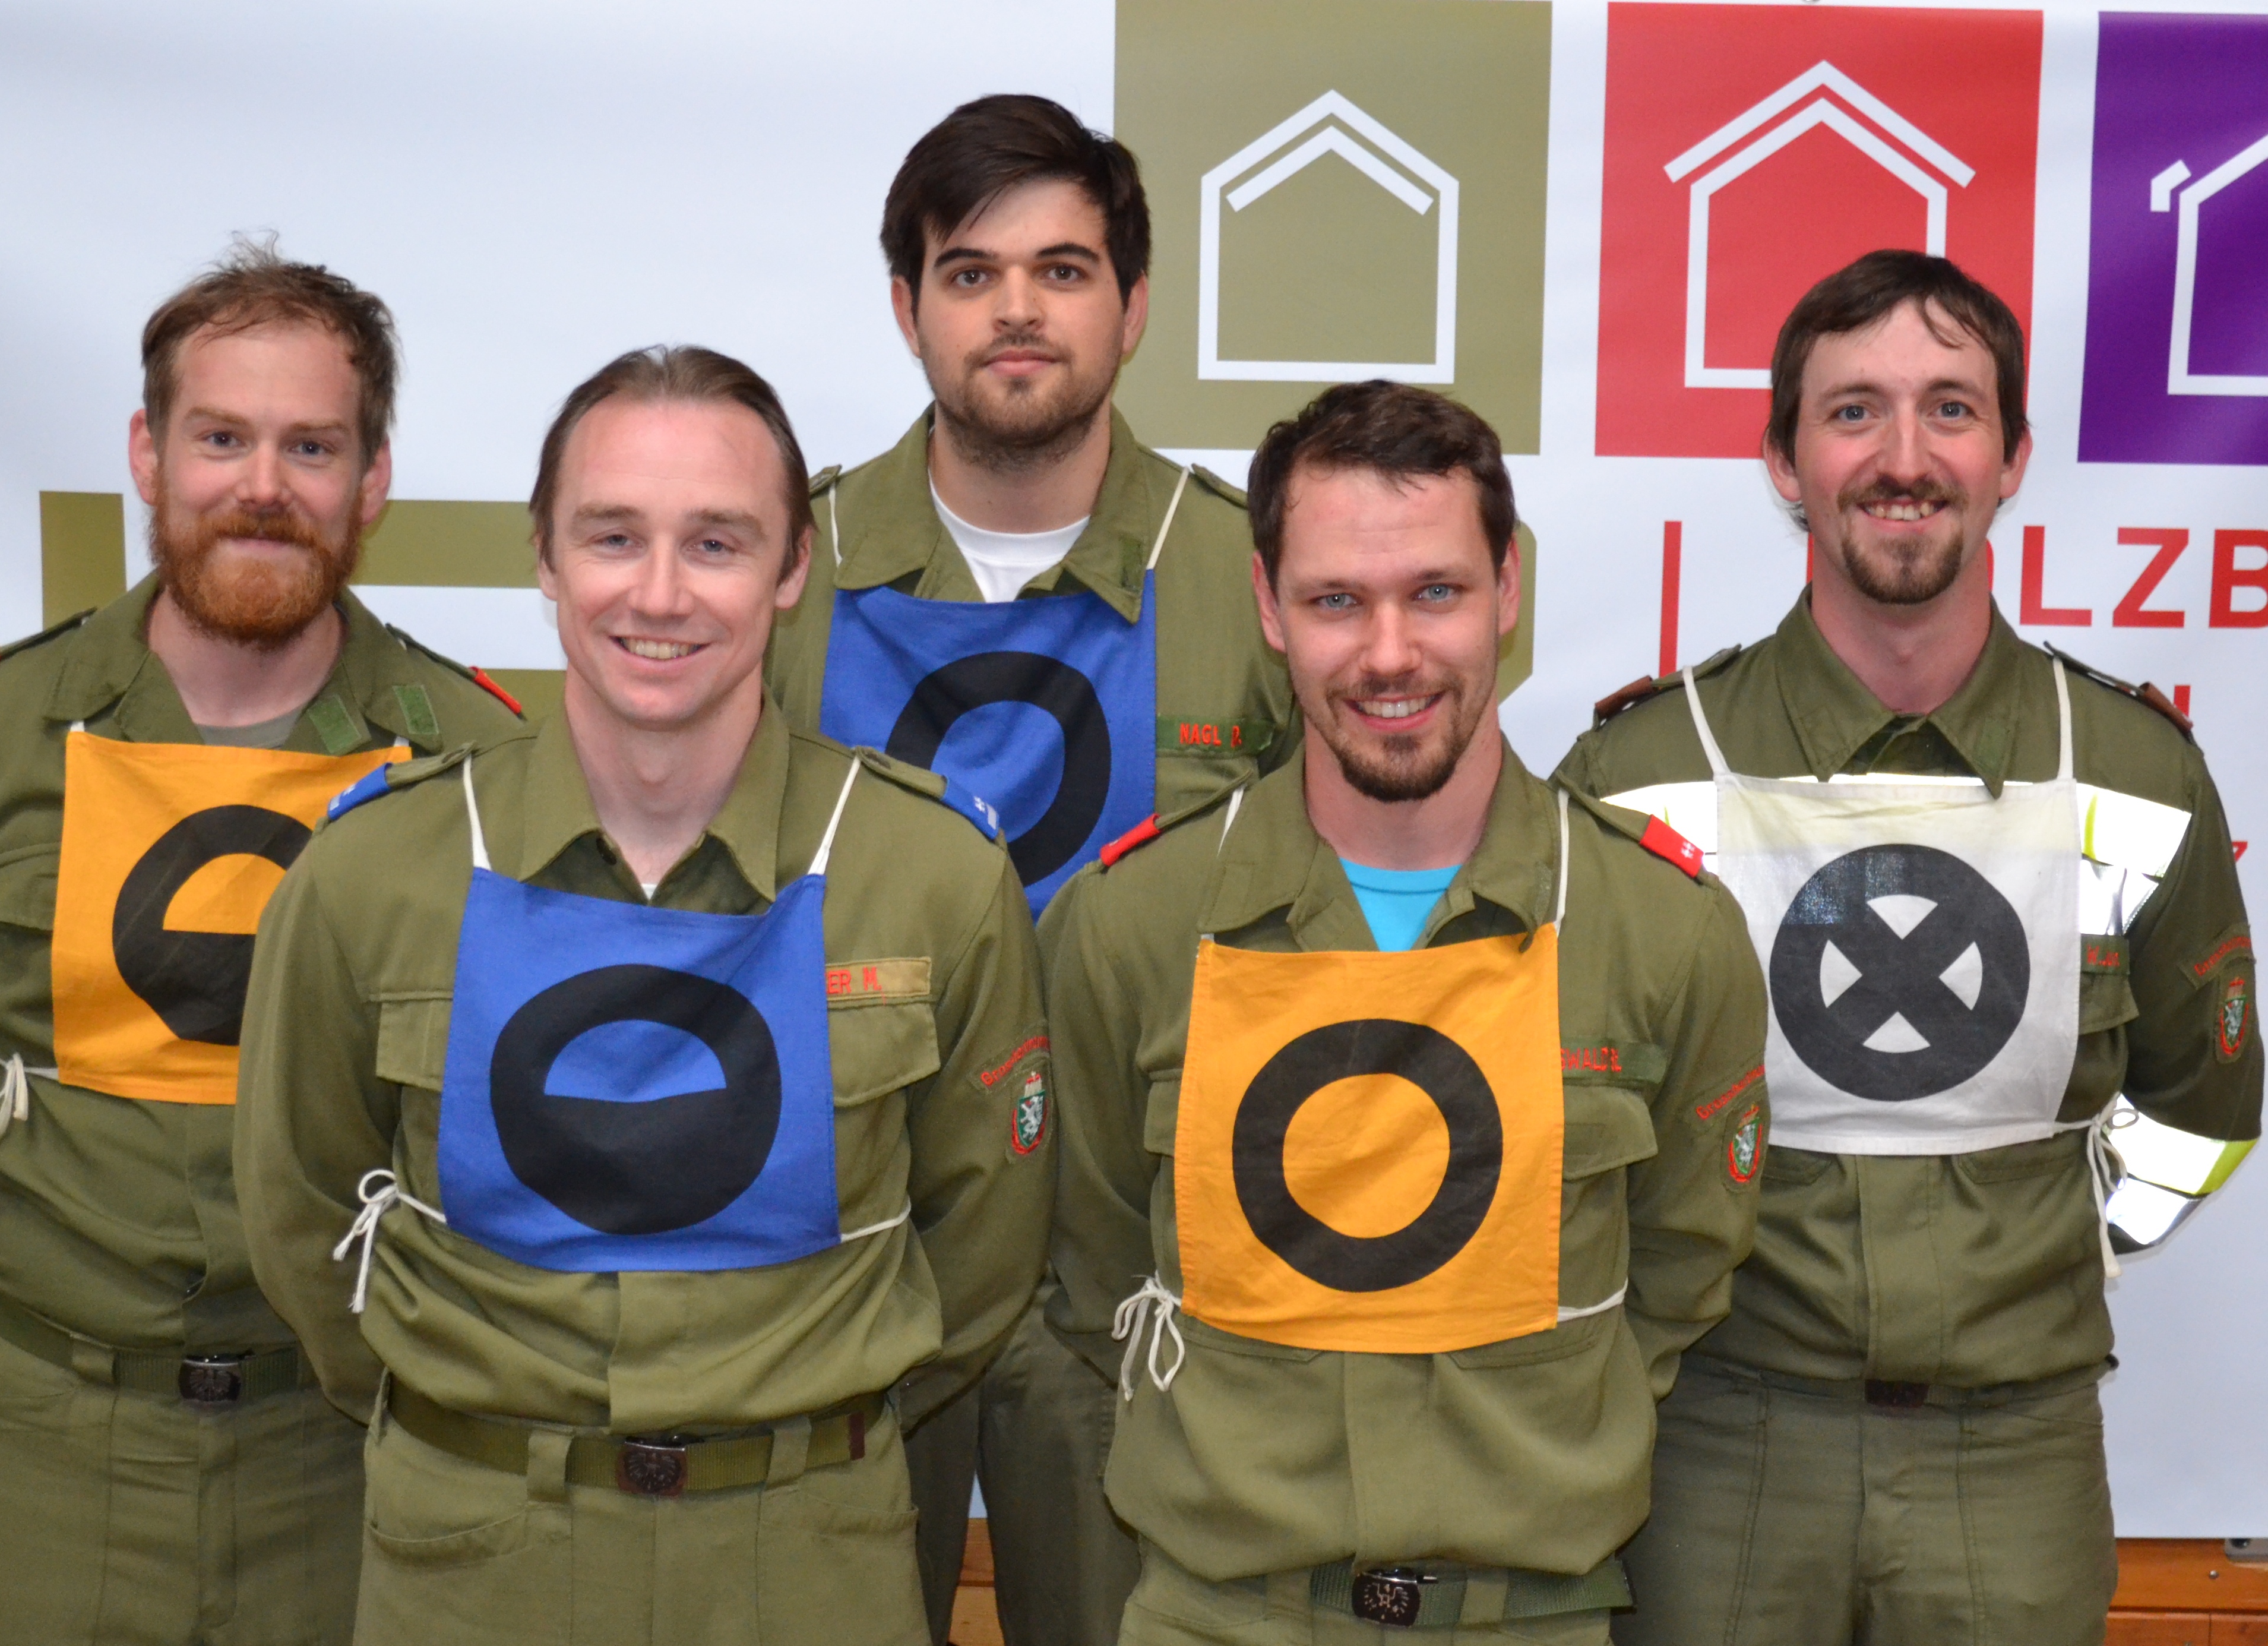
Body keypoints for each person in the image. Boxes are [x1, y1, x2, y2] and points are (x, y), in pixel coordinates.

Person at [235, 345, 1052, 1645]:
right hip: (472, 1561)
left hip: (810, 1563)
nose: (659, 593)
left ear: (792, 570)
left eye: (716, 543)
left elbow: (984, 1247)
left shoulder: (932, 877)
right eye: (613, 537)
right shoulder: (374, 873)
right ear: (545, 559)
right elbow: (303, 1213)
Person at [0, 241, 524, 1645]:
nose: (264, 485)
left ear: (373, 479)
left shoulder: (474, 764)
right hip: (42, 1443)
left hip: (349, 1441)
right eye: (221, 438)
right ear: (149, 454)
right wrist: (57, 1183)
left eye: (311, 445)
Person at [1558, 250, 2261, 1646]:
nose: (1902, 457)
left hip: (2015, 1456)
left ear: (2011, 459)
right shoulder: (1633, 774)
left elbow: (2203, 1103)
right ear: (1782, 461)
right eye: (1851, 412)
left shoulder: (2136, 769)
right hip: (1715, 1443)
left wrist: (2053, 1248)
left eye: (1949, 408)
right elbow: (1565, 1120)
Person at [1045, 380, 1770, 1645]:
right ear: (1268, 607)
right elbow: (1096, 1258)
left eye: (1435, 592)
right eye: (1337, 601)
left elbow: (1679, 1270)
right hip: (1217, 1617)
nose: (1389, 655)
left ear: (1507, 589)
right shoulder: (1133, 926)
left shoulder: (1665, 930)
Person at [765, 91, 1295, 1646]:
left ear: (1133, 308)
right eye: (969, 272)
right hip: (848, 1257)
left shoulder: (1257, 576)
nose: (1015, 310)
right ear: (906, 309)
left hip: (1135, 1276)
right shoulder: (777, 570)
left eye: (1061, 271)